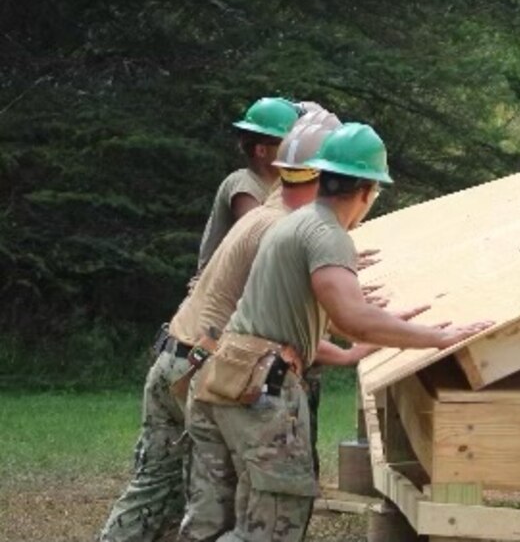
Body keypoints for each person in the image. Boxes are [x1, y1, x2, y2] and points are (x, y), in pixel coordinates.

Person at [181, 123, 491, 542]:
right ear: (368, 191)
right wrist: (437, 336)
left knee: (250, 520)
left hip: (235, 376)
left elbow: (338, 320)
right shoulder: (327, 234)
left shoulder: (296, 223)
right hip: (262, 387)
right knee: (273, 526)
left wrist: (388, 328)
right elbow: (353, 318)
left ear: (322, 176)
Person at [98, 109, 367, 542]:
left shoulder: (269, 215)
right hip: (206, 369)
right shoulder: (284, 228)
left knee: (159, 497)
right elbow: (271, 327)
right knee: (231, 510)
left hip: (179, 357)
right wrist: (352, 346)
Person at [197, 98, 296, 271]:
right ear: (261, 150)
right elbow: (260, 235)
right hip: (217, 294)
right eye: (287, 145)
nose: (294, 152)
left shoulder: (280, 189)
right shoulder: (242, 183)